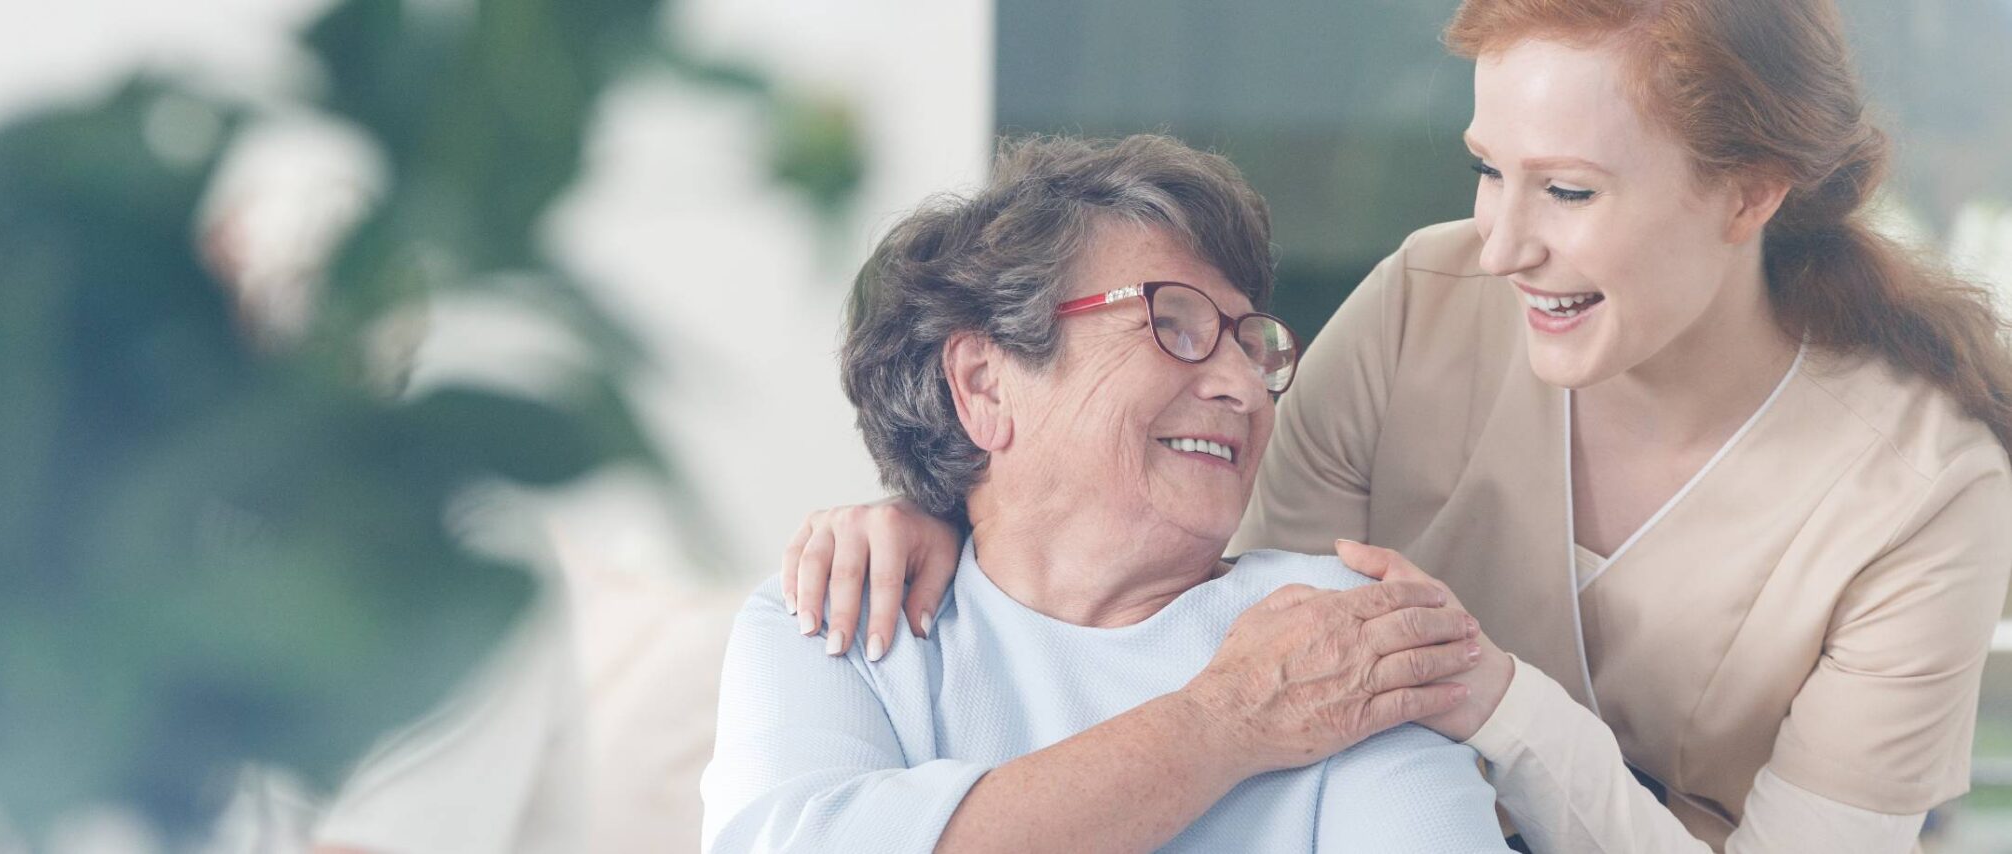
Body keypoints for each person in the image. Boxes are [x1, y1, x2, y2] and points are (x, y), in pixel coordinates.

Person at [777, 1, 2012, 850]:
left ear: (1748, 193)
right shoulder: (1432, 300)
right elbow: (1202, 609)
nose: (1502, 241)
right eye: (1489, 167)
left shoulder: (1923, 491)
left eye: (1569, 191)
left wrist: (1494, 700)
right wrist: (952, 501)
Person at [701, 134, 1515, 852]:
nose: (1242, 385)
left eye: (1248, 342)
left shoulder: (1336, 633)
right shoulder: (838, 616)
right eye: (1176, 324)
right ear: (984, 385)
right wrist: (1225, 720)